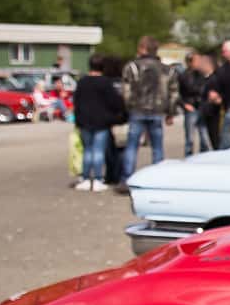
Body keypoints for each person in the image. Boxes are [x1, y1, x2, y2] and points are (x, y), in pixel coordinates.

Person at [120, 36, 177, 177]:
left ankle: (127, 177)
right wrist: (170, 112)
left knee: (132, 146)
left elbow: (126, 91)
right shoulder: (167, 70)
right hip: (157, 111)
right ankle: (157, 177)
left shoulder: (132, 67)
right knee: (157, 147)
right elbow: (173, 93)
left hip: (137, 110)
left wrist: (127, 108)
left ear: (142, 49)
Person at [72, 55, 125, 193]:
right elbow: (116, 102)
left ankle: (84, 178)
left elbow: (76, 102)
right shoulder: (105, 83)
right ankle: (97, 179)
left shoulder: (82, 82)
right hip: (102, 122)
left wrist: (77, 120)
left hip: (84, 122)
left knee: (87, 150)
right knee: (98, 151)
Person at [178, 52, 214, 156]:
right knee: (190, 138)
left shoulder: (202, 75)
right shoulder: (184, 75)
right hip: (191, 108)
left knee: (204, 137)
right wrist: (184, 104)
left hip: (202, 107)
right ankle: (188, 156)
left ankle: (204, 156)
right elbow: (179, 92)